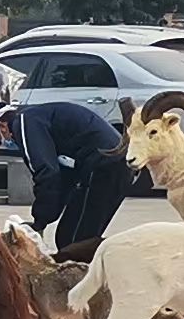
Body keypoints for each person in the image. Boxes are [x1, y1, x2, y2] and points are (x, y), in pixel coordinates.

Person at [20, 95, 127, 250]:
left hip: (103, 164)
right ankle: (96, 267)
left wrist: (40, 220)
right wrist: (42, 221)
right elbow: (64, 177)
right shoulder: (43, 118)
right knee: (77, 237)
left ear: (1, 125)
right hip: (116, 163)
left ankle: (98, 266)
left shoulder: (25, 121)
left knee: (72, 242)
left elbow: (46, 172)